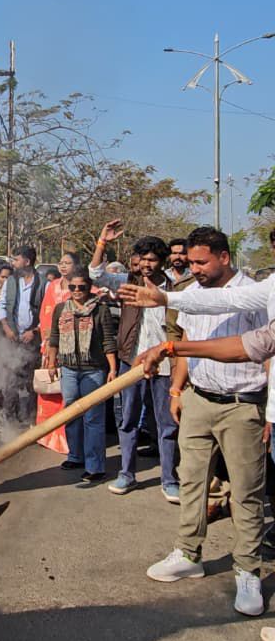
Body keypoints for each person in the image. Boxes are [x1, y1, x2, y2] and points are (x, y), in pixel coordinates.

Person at [120, 227, 269, 616]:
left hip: (243, 404)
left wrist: (270, 412)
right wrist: (177, 390)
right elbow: (186, 338)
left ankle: (248, 571)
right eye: (192, 261)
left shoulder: (256, 293)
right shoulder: (190, 295)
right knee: (192, 482)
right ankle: (188, 553)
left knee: (246, 494)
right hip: (198, 400)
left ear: (224, 257)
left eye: (202, 261)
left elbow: (259, 352)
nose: (195, 268)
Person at [89, 221, 180, 501]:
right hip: (131, 362)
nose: (147, 265)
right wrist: (102, 242)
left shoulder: (176, 289)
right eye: (143, 259)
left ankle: (169, 479)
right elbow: (95, 274)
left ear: (161, 261)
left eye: (153, 259)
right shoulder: (127, 282)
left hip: (165, 364)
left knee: (167, 424)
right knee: (127, 420)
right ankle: (127, 474)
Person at [46, 267, 117, 486]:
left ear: (89, 288)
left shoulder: (100, 309)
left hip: (94, 369)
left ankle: (95, 467)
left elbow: (108, 339)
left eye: (82, 287)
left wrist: (112, 369)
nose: (77, 291)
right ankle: (75, 455)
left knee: (93, 417)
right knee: (70, 412)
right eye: (73, 287)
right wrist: (51, 362)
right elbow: (55, 337)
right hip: (68, 369)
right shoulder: (60, 309)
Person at [35, 251, 83, 452]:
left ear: (76, 265)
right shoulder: (52, 286)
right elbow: (45, 312)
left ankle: (67, 437)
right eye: (61, 262)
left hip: (74, 346)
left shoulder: (82, 287)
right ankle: (46, 434)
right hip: (50, 344)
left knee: (68, 392)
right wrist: (46, 341)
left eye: (67, 263)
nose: (63, 266)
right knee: (49, 389)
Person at [0, 246, 41, 424]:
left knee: (31, 382)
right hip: (13, 339)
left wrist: (35, 331)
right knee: (10, 380)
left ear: (27, 262)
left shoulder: (43, 283)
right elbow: (2, 305)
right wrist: (6, 328)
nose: (13, 263)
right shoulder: (12, 281)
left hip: (33, 341)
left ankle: (31, 420)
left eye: (16, 259)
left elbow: (47, 312)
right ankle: (9, 419)